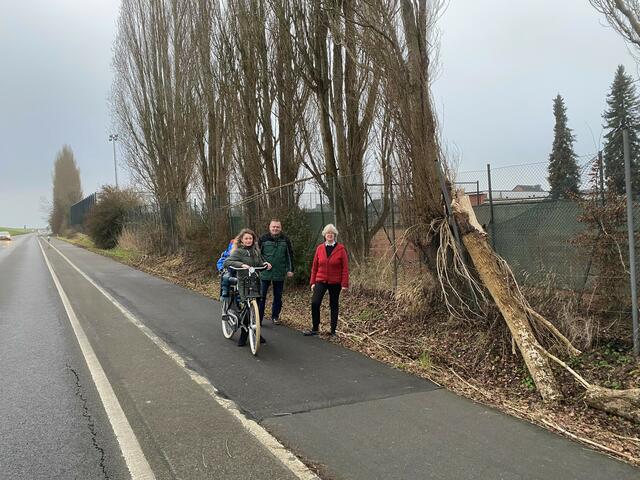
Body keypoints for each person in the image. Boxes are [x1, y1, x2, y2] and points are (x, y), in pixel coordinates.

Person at [223, 228, 272, 346]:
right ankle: (244, 334)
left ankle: (256, 332)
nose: (249, 240)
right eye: (246, 238)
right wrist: (242, 265)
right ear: (242, 240)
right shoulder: (238, 251)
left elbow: (260, 262)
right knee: (247, 306)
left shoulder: (256, 251)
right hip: (243, 282)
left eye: (250, 238)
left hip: (255, 281)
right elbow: (227, 262)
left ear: (253, 239)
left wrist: (266, 264)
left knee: (256, 307)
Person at [304, 224, 349, 337]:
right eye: (328, 233)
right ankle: (315, 328)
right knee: (315, 302)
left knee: (333, 305)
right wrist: (313, 282)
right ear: (324, 235)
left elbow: (345, 268)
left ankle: (333, 330)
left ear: (335, 235)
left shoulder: (341, 249)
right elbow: (314, 266)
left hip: (335, 282)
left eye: (332, 233)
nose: (330, 235)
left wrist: (344, 284)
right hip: (321, 280)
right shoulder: (320, 248)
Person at [258, 219, 294, 325]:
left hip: (279, 272)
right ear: (269, 227)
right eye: (273, 226)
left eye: (277, 227)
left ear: (280, 228)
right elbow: (258, 255)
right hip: (265, 273)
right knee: (261, 296)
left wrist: (290, 269)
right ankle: (258, 318)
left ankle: (275, 316)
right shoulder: (263, 239)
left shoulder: (285, 240)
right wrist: (263, 264)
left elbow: (289, 255)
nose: (275, 229)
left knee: (278, 296)